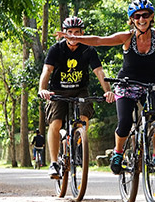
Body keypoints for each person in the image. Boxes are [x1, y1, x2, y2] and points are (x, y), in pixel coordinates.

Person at [56, 0, 155, 174]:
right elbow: (99, 40)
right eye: (137, 16)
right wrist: (74, 37)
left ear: (151, 17)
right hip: (126, 85)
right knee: (125, 122)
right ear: (132, 19)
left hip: (150, 86)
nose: (141, 19)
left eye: (145, 15)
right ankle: (118, 153)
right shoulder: (127, 37)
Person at [38, 16, 116, 179]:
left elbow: (99, 72)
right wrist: (42, 89)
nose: (73, 36)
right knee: (56, 123)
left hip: (80, 90)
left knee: (83, 118)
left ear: (83, 33)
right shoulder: (56, 49)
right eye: (70, 32)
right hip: (58, 91)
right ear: (64, 33)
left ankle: (77, 142)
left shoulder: (88, 50)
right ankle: (53, 163)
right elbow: (47, 70)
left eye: (77, 33)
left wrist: (108, 91)